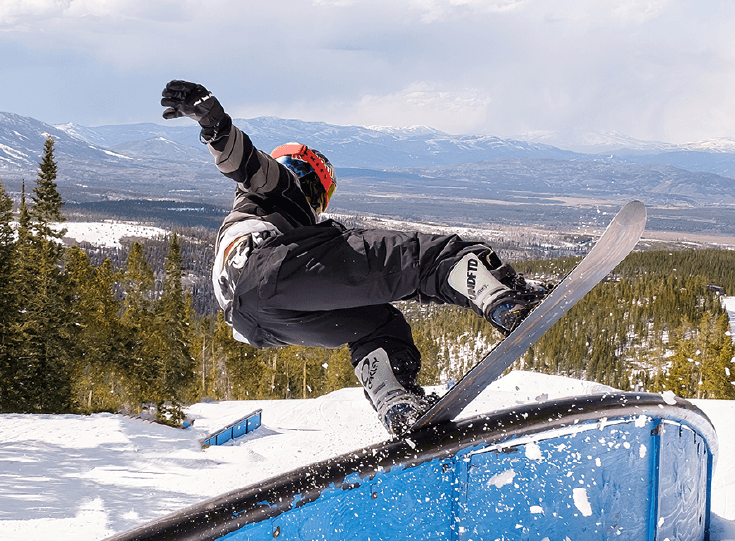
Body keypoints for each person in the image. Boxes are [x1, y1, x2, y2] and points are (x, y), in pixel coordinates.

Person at [161, 80, 548, 435]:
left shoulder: (255, 219)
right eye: (320, 189)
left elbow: (378, 281)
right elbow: (245, 164)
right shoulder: (279, 186)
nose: (317, 202)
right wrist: (215, 125)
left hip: (256, 324)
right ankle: (504, 299)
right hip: (272, 268)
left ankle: (395, 402)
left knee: (379, 324)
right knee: (431, 255)